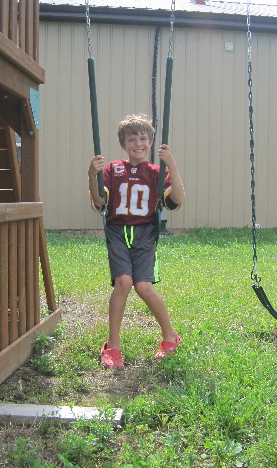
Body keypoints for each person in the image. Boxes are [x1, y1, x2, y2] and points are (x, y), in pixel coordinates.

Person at [88, 114, 186, 369]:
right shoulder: (113, 169)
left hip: (145, 234)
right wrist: (92, 175)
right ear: (123, 145)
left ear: (151, 142)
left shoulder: (156, 172)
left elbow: (177, 200)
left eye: (143, 138)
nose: (138, 144)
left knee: (143, 286)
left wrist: (172, 165)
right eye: (132, 139)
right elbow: (99, 202)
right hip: (118, 231)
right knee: (123, 282)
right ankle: (113, 345)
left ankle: (170, 337)